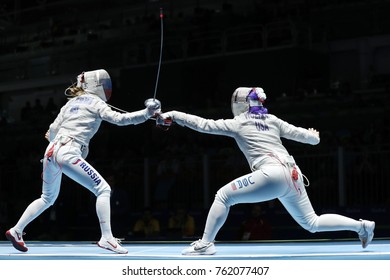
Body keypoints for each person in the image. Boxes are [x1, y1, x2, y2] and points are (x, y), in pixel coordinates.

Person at [158, 87, 375, 255]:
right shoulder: (273, 120)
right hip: (293, 174)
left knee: (223, 196)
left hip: (272, 174)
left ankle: (206, 244)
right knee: (312, 223)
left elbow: (203, 124)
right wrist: (313, 135)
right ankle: (361, 227)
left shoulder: (238, 123)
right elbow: (310, 139)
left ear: (240, 104)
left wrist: (175, 114)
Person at [5, 69, 161, 254]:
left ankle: (16, 230)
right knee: (103, 189)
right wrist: (146, 113)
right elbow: (119, 119)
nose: (106, 87)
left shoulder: (70, 104)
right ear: (95, 85)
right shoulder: (96, 103)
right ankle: (107, 239)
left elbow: (52, 130)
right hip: (68, 152)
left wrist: (58, 137)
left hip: (50, 152)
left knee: (47, 198)